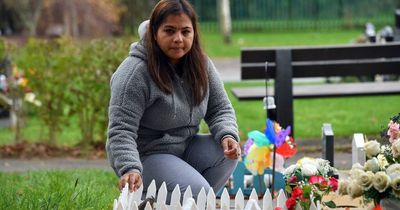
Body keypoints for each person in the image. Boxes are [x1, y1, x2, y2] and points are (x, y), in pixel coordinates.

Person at [106, 0, 241, 200]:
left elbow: (220, 109)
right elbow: (121, 130)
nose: (178, 39)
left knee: (227, 153)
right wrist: (130, 166)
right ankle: (146, 196)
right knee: (200, 192)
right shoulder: (134, 72)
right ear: (154, 32)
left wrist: (227, 135)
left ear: (194, 33)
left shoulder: (201, 65)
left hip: (185, 147)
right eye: (169, 31)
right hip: (147, 156)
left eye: (185, 32)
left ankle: (191, 202)